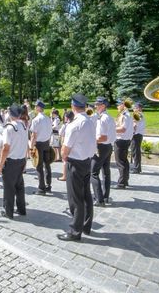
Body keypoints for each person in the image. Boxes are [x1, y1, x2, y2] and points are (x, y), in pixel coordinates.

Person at [57, 94, 97, 241]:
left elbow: (65, 149)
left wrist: (64, 157)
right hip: (87, 161)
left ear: (73, 106)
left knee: (76, 199)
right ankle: (86, 226)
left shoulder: (74, 124)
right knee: (86, 196)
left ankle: (75, 231)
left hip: (75, 163)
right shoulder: (90, 121)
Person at [0, 104, 29, 219]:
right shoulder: (24, 126)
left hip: (11, 162)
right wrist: (25, 160)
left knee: (9, 188)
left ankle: (8, 212)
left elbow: (5, 148)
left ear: (10, 114)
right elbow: (25, 144)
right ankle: (21, 209)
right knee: (19, 186)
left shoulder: (9, 127)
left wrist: (0, 165)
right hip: (21, 160)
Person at [91, 97, 116, 206]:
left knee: (93, 173)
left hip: (101, 147)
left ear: (103, 105)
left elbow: (102, 137)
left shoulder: (102, 118)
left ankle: (99, 198)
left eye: (97, 104)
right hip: (108, 147)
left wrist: (91, 140)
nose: (95, 106)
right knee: (106, 172)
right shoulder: (109, 117)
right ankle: (105, 196)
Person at [30, 99, 53, 195]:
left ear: (39, 108)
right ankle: (48, 185)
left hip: (39, 144)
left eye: (36, 106)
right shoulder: (48, 118)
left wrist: (31, 147)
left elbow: (33, 135)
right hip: (46, 143)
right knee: (47, 165)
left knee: (39, 166)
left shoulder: (36, 120)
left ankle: (41, 188)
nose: (35, 108)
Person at [113, 98, 134, 189]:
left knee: (120, 162)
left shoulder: (125, 115)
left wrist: (110, 129)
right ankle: (125, 180)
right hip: (125, 140)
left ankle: (121, 183)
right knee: (124, 161)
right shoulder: (125, 114)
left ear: (123, 105)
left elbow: (122, 129)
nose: (117, 106)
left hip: (121, 140)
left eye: (118, 104)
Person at [57, 110, 74, 181]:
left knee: (64, 160)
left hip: (65, 142)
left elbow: (60, 133)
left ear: (66, 117)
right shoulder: (74, 123)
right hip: (72, 144)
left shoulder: (66, 125)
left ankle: (64, 175)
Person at [130, 102, 145, 174]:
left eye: (135, 107)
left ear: (139, 108)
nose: (133, 109)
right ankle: (137, 167)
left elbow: (134, 124)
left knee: (135, 152)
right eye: (133, 107)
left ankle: (136, 168)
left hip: (136, 135)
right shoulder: (139, 114)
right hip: (138, 135)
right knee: (135, 151)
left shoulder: (138, 114)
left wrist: (131, 131)